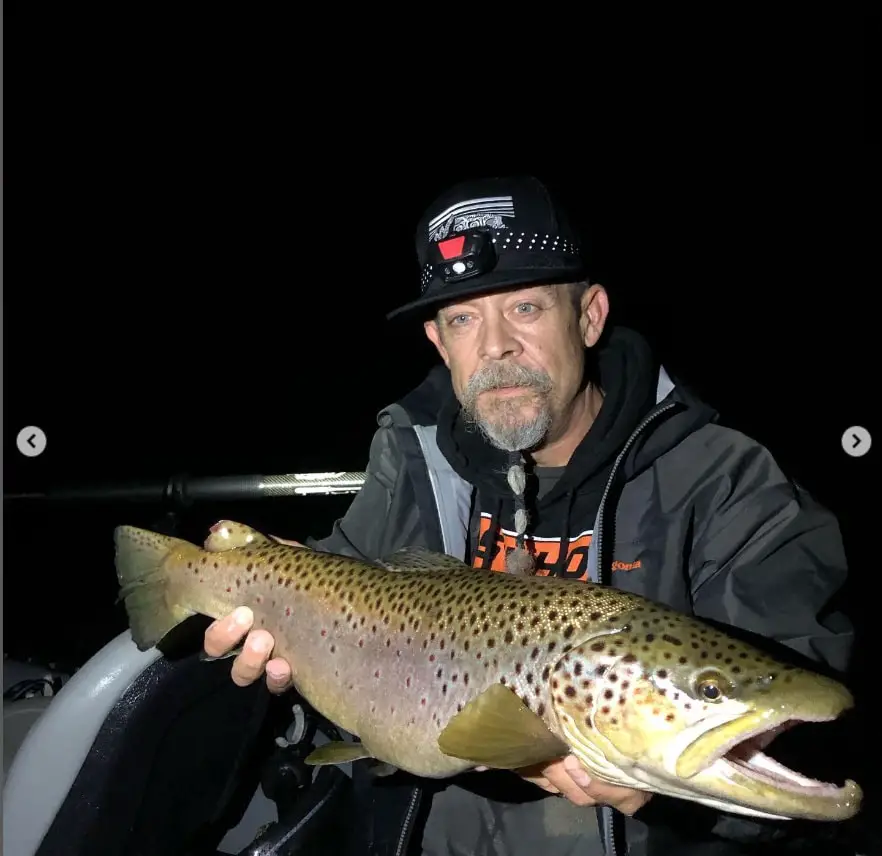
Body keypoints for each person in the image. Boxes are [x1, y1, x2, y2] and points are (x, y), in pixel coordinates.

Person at [203, 175, 856, 855]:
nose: (494, 347)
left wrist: (660, 790)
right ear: (438, 341)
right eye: (463, 319)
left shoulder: (724, 480)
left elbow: (821, 725)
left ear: (590, 316)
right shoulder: (411, 457)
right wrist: (267, 588)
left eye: (524, 308)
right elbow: (343, 580)